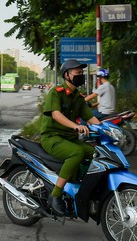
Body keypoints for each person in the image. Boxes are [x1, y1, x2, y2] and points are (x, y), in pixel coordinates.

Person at [40, 59, 101, 216]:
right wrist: (75, 126)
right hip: (52, 137)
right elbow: (56, 114)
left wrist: (106, 130)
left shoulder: (78, 97)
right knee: (77, 153)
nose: (81, 76)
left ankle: (80, 188)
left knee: (96, 154)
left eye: (82, 73)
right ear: (67, 75)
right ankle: (56, 195)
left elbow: (91, 118)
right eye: (78, 73)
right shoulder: (56, 92)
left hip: (69, 138)